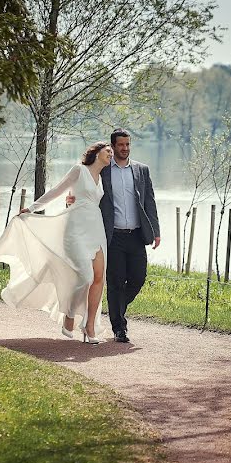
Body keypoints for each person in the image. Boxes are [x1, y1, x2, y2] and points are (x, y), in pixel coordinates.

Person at [0, 142, 113, 344]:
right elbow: (57, 190)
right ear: (96, 153)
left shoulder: (102, 178)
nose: (111, 154)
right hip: (75, 229)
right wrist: (33, 208)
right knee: (85, 276)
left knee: (99, 278)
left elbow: (87, 199)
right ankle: (69, 315)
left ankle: (89, 328)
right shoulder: (79, 170)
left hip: (96, 229)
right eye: (108, 151)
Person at [100, 128, 160, 342]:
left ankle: (115, 307)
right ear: (113, 146)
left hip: (136, 235)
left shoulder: (141, 170)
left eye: (127, 144)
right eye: (121, 145)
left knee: (138, 278)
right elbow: (89, 194)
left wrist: (156, 231)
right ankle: (119, 328)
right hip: (113, 236)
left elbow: (149, 202)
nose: (125, 148)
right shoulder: (103, 171)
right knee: (115, 282)